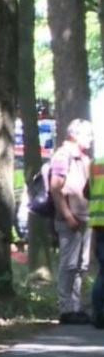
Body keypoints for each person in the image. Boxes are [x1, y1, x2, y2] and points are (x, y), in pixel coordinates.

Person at [51, 119, 94, 324]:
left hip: (85, 217)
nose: (91, 139)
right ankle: (65, 308)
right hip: (70, 218)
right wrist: (67, 215)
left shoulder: (84, 158)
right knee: (68, 264)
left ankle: (76, 307)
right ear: (75, 135)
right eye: (88, 135)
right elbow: (55, 188)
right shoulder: (63, 155)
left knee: (81, 265)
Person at [89, 155, 104, 328]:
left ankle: (98, 315)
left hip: (99, 223)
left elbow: (88, 191)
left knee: (102, 272)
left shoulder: (96, 163)